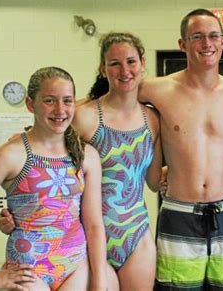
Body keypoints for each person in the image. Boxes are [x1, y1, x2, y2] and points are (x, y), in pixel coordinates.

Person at [137, 8, 223, 290]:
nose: (206, 43)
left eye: (213, 36)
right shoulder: (157, 89)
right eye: (197, 36)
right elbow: (111, 98)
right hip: (179, 212)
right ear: (182, 44)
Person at [0, 67, 107, 290]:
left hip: (75, 267)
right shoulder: (11, 154)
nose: (60, 109)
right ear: (31, 104)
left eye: (67, 100)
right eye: (50, 101)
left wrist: (100, 282)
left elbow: (93, 224)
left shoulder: (85, 156)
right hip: (29, 271)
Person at [72, 32, 163, 290]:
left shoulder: (152, 120)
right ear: (103, 69)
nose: (124, 70)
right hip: (89, 234)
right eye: (115, 63)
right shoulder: (85, 117)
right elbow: (49, 162)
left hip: (136, 235)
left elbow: (154, 182)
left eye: (131, 62)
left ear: (142, 63)